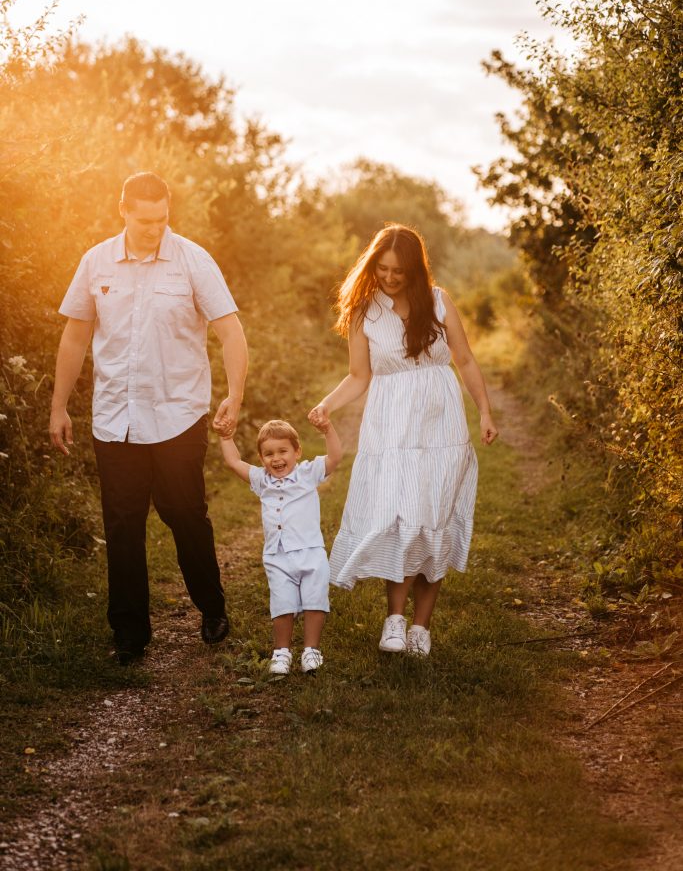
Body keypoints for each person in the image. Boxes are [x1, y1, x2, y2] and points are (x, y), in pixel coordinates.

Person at [49, 171, 248, 664]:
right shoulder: (96, 262)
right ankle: (130, 634)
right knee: (121, 523)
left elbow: (230, 331)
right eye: (144, 221)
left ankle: (211, 607)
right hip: (115, 416)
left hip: (178, 412)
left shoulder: (193, 261)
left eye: (161, 220)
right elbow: (75, 337)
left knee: (184, 512)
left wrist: (235, 394)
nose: (154, 229)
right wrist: (58, 406)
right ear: (123, 210)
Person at [308, 224, 498, 657]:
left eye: (399, 271)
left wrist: (485, 410)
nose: (390, 277)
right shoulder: (364, 311)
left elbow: (464, 359)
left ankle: (420, 628)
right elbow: (360, 376)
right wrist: (327, 405)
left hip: (441, 423)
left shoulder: (438, 301)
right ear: (373, 264)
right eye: (383, 268)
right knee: (400, 517)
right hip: (392, 425)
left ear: (415, 269)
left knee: (435, 516)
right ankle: (394, 619)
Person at [218, 417, 342, 674]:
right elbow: (233, 462)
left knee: (314, 601)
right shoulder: (262, 481)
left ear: (297, 451)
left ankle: (311, 650)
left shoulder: (307, 474)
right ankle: (282, 652)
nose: (276, 459)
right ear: (261, 458)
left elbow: (335, 457)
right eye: (268, 454)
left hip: (310, 552)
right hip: (277, 555)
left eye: (282, 451)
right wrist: (226, 436)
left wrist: (328, 429)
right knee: (282, 604)